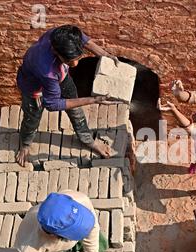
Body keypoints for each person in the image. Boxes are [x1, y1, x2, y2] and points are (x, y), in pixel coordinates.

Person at [16, 24, 119, 167]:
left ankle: (87, 140)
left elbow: (86, 41)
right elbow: (51, 104)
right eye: (69, 61)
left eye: (77, 58)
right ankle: (25, 145)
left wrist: (105, 55)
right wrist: (93, 100)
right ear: (55, 52)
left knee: (76, 112)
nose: (75, 64)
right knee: (32, 118)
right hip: (34, 89)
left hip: (62, 77)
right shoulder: (47, 70)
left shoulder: (64, 35)